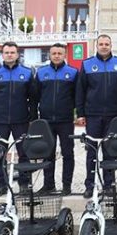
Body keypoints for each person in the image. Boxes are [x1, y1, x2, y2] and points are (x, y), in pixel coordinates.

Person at [0, 42, 37, 197]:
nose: (9, 55)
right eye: (6, 52)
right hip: (0, 122)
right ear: (2, 55)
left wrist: (32, 118)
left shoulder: (26, 73)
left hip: (21, 120)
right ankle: (1, 184)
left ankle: (24, 184)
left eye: (12, 52)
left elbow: (33, 99)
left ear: (17, 54)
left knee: (24, 153)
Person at [76, 34, 117, 199]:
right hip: (93, 115)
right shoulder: (87, 64)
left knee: (110, 151)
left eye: (107, 44)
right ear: (96, 45)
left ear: (111, 46)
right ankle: (90, 184)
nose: (104, 46)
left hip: (113, 115)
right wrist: (81, 113)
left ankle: (109, 184)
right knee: (92, 151)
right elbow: (81, 91)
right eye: (101, 44)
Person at [33, 43, 78, 196]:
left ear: (64, 55)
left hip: (65, 120)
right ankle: (48, 185)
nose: (57, 56)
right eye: (54, 53)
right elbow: (34, 97)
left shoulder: (72, 73)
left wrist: (77, 114)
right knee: (48, 153)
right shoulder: (41, 73)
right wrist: (34, 118)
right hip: (46, 121)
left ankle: (67, 185)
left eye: (60, 53)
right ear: (49, 55)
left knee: (68, 153)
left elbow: (77, 96)